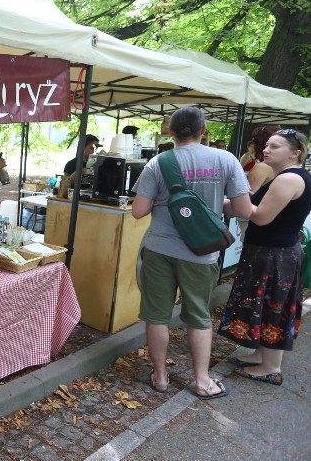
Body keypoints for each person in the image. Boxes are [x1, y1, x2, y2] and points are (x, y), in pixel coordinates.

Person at [131, 107, 253, 399]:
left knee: (157, 315)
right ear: (204, 129)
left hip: (160, 249)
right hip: (202, 252)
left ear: (170, 131)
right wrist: (211, 205)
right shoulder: (226, 159)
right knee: (198, 315)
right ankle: (201, 380)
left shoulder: (159, 162)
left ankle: (160, 376)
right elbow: (243, 209)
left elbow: (138, 211)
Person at [218, 129, 311, 386]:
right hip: (271, 252)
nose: (267, 150)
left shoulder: (288, 179)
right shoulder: (285, 176)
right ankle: (261, 355)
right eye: (267, 145)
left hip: (275, 256)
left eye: (275, 147)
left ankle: (271, 367)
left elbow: (260, 216)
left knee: (272, 309)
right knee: (264, 307)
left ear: (295, 153)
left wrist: (236, 196)